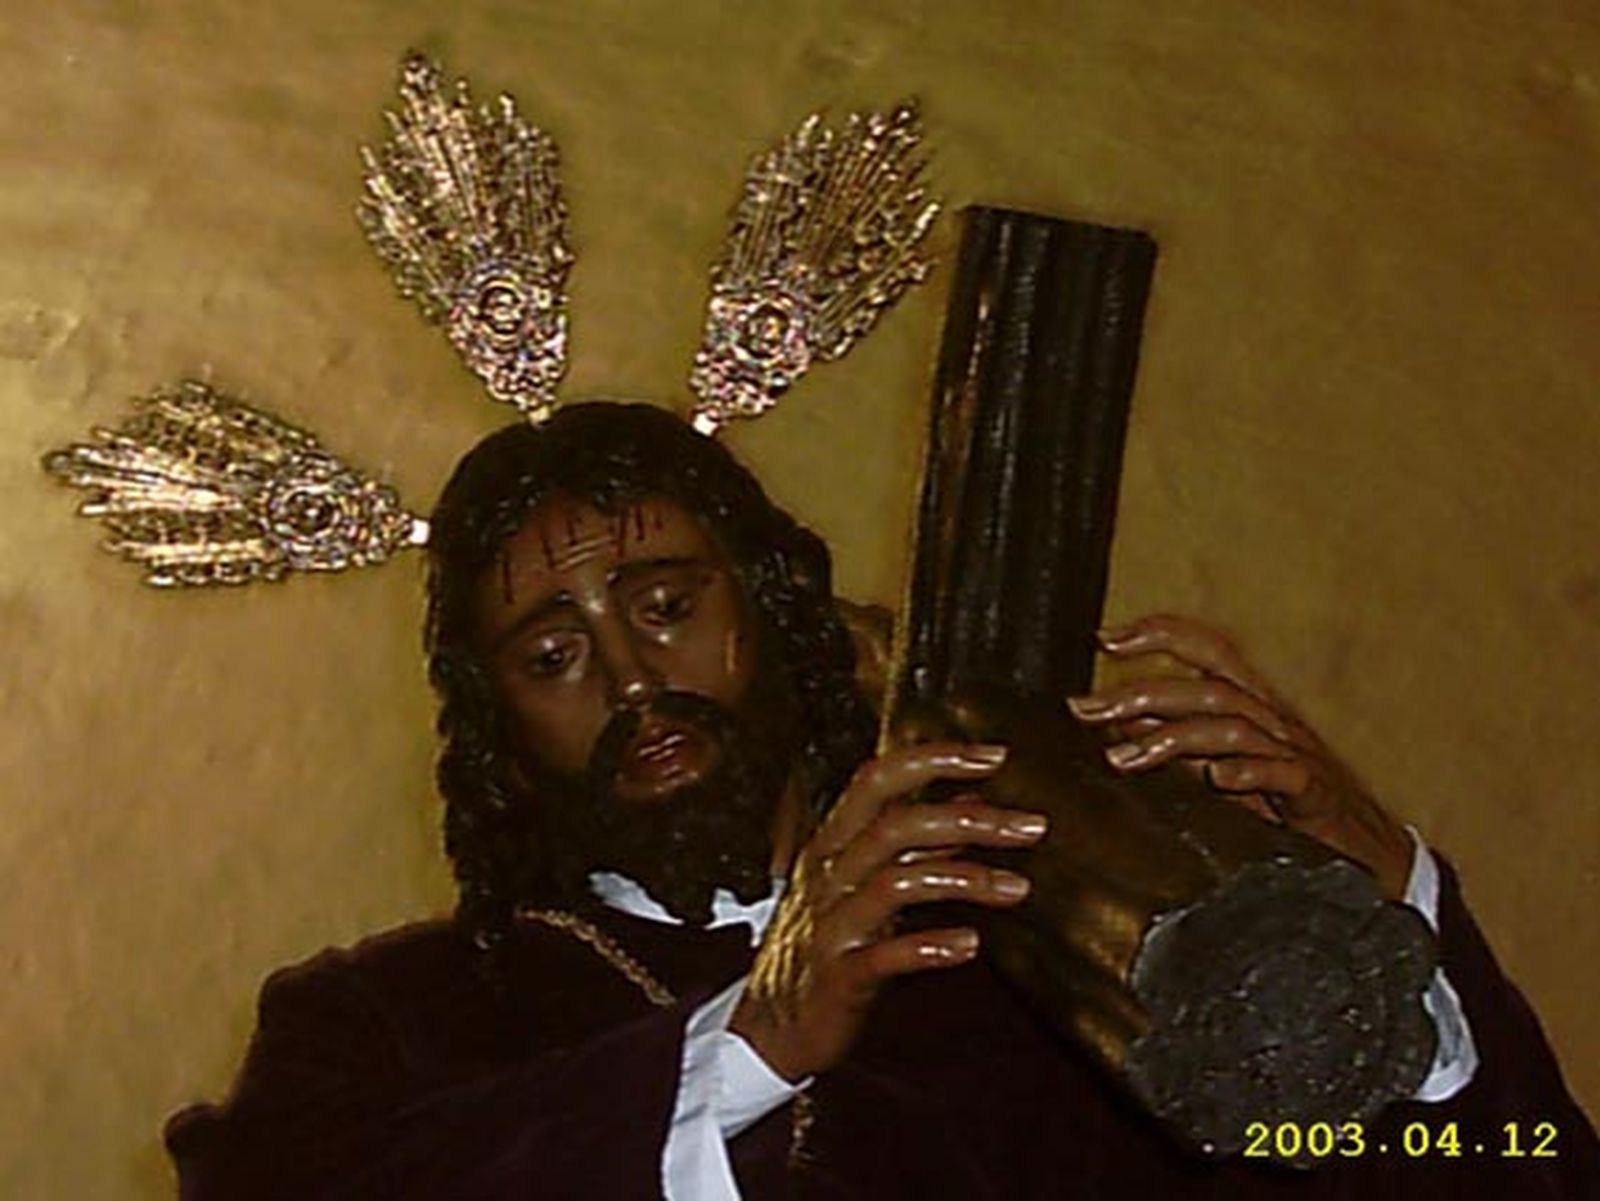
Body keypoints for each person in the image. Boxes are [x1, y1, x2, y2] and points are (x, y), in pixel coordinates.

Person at [166, 401, 1599, 1199]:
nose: (631, 676)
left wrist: (1379, 908)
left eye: (666, 603)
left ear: (775, 612)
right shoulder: (386, 1025)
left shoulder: (1047, 962)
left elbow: (1492, 1178)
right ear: (498, 726)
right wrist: (748, 1047)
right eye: (552, 656)